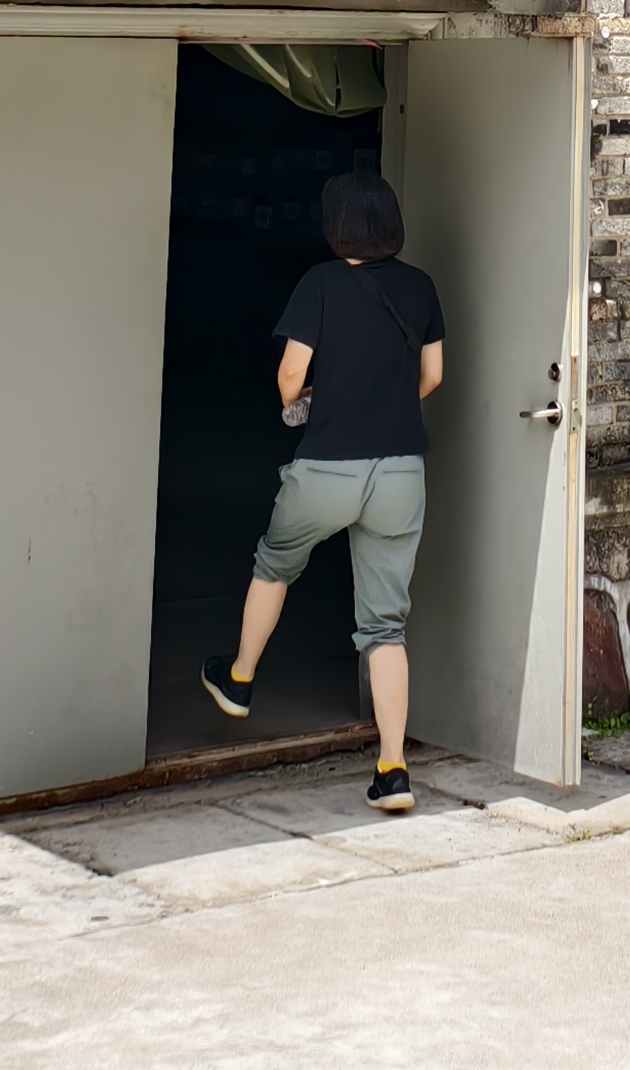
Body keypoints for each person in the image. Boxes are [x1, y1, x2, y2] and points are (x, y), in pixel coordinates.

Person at [197, 167, 443, 812]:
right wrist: (385, 411)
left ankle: (240, 678)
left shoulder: (320, 283)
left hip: (329, 466)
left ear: (337, 226)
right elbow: (434, 375)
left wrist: (308, 400)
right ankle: (393, 770)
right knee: (385, 624)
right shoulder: (420, 286)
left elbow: (290, 376)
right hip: (401, 471)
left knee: (276, 562)